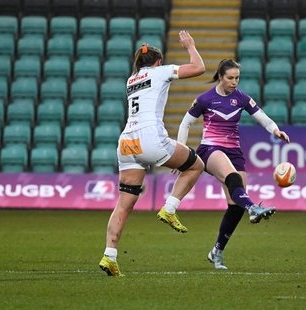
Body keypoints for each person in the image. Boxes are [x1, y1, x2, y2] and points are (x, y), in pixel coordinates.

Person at [99, 30, 206, 276]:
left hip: (127, 142)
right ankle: (170, 207)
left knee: (124, 204)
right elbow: (199, 68)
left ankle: (109, 256)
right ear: (158, 62)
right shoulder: (161, 71)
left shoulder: (131, 79)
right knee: (195, 165)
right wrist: (190, 46)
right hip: (150, 138)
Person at [177, 59, 290, 270]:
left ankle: (216, 251)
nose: (234, 82)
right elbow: (186, 123)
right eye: (230, 78)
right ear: (220, 77)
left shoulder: (242, 98)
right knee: (234, 179)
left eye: (237, 78)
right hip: (210, 149)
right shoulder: (205, 99)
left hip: (234, 151)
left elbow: (262, 117)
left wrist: (275, 130)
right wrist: (182, 153)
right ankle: (253, 208)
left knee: (235, 204)